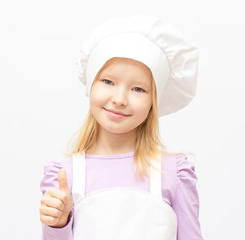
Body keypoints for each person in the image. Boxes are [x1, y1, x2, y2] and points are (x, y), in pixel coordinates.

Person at [39, 15, 203, 240]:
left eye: (138, 89)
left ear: (154, 102)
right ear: (91, 83)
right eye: (108, 82)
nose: (119, 99)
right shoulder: (65, 176)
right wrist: (57, 225)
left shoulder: (173, 173)